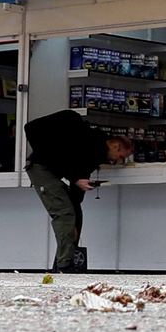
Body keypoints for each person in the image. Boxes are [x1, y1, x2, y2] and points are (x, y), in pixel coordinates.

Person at [23, 109, 132, 272]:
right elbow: (69, 162)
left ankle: (66, 258)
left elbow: (77, 179)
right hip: (41, 168)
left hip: (53, 169)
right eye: (121, 156)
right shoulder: (86, 140)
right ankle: (64, 264)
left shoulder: (95, 152)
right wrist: (75, 178)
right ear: (115, 146)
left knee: (74, 213)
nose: (118, 161)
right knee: (65, 214)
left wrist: (78, 184)